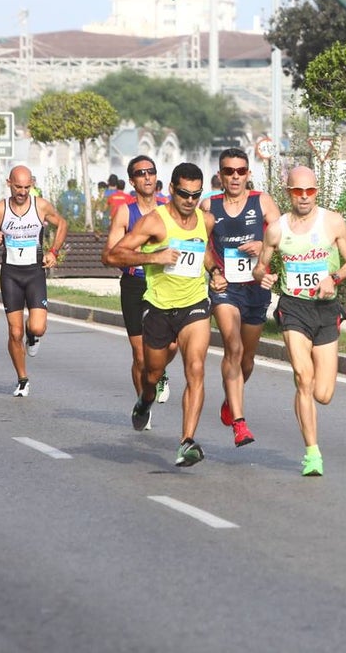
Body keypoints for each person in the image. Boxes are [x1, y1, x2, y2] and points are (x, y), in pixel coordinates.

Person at [107, 162, 220, 468]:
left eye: (196, 195)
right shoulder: (153, 222)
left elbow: (203, 250)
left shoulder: (205, 220)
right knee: (152, 373)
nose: (190, 200)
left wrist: (214, 270)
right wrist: (153, 256)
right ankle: (144, 400)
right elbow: (112, 255)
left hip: (195, 304)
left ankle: (186, 442)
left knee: (195, 368)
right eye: (184, 193)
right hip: (158, 306)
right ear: (171, 189)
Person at [254, 165, 346, 477]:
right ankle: (312, 454)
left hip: (326, 309)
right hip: (293, 307)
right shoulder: (277, 229)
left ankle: (306, 398)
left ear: (317, 192)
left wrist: (335, 277)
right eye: (298, 191)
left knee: (323, 394)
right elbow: (259, 267)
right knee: (304, 378)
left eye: (310, 191)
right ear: (289, 193)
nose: (304, 197)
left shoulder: (332, 222)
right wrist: (265, 276)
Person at [202, 148, 282, 448]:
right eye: (229, 171)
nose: (235, 177)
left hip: (256, 286)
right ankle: (239, 422)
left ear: (248, 173)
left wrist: (261, 246)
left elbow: (282, 236)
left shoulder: (262, 201)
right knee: (232, 347)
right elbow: (200, 243)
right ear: (220, 175)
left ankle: (229, 399)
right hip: (225, 288)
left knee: (247, 360)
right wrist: (214, 271)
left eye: (240, 171)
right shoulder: (209, 204)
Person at [0, 166, 68, 396]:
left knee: (37, 326)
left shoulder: (40, 205)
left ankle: (33, 336)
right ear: (9, 182)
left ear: (31, 184)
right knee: (14, 332)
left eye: (26, 187)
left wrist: (54, 251)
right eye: (18, 187)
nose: (22, 192)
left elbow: (62, 224)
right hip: (10, 274)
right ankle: (22, 378)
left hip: (34, 273)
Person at [104, 155, 174, 407]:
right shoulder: (125, 212)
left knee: (173, 344)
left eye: (150, 172)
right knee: (140, 356)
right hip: (135, 284)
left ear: (156, 177)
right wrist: (144, 257)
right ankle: (143, 403)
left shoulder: (170, 208)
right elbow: (109, 255)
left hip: (167, 283)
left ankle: (161, 371)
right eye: (140, 173)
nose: (146, 176)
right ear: (132, 181)